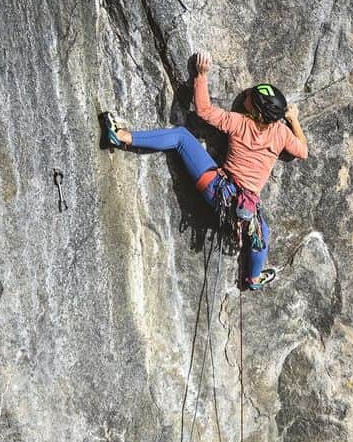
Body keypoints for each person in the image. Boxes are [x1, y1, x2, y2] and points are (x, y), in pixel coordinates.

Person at [102, 53, 308, 289]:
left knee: (180, 137)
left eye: (251, 96)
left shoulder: (238, 122)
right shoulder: (281, 134)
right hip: (243, 209)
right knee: (262, 234)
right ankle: (253, 278)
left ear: (257, 111)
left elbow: (204, 110)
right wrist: (294, 120)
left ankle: (121, 137)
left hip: (216, 188)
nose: (246, 95)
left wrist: (201, 74)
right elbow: (302, 151)